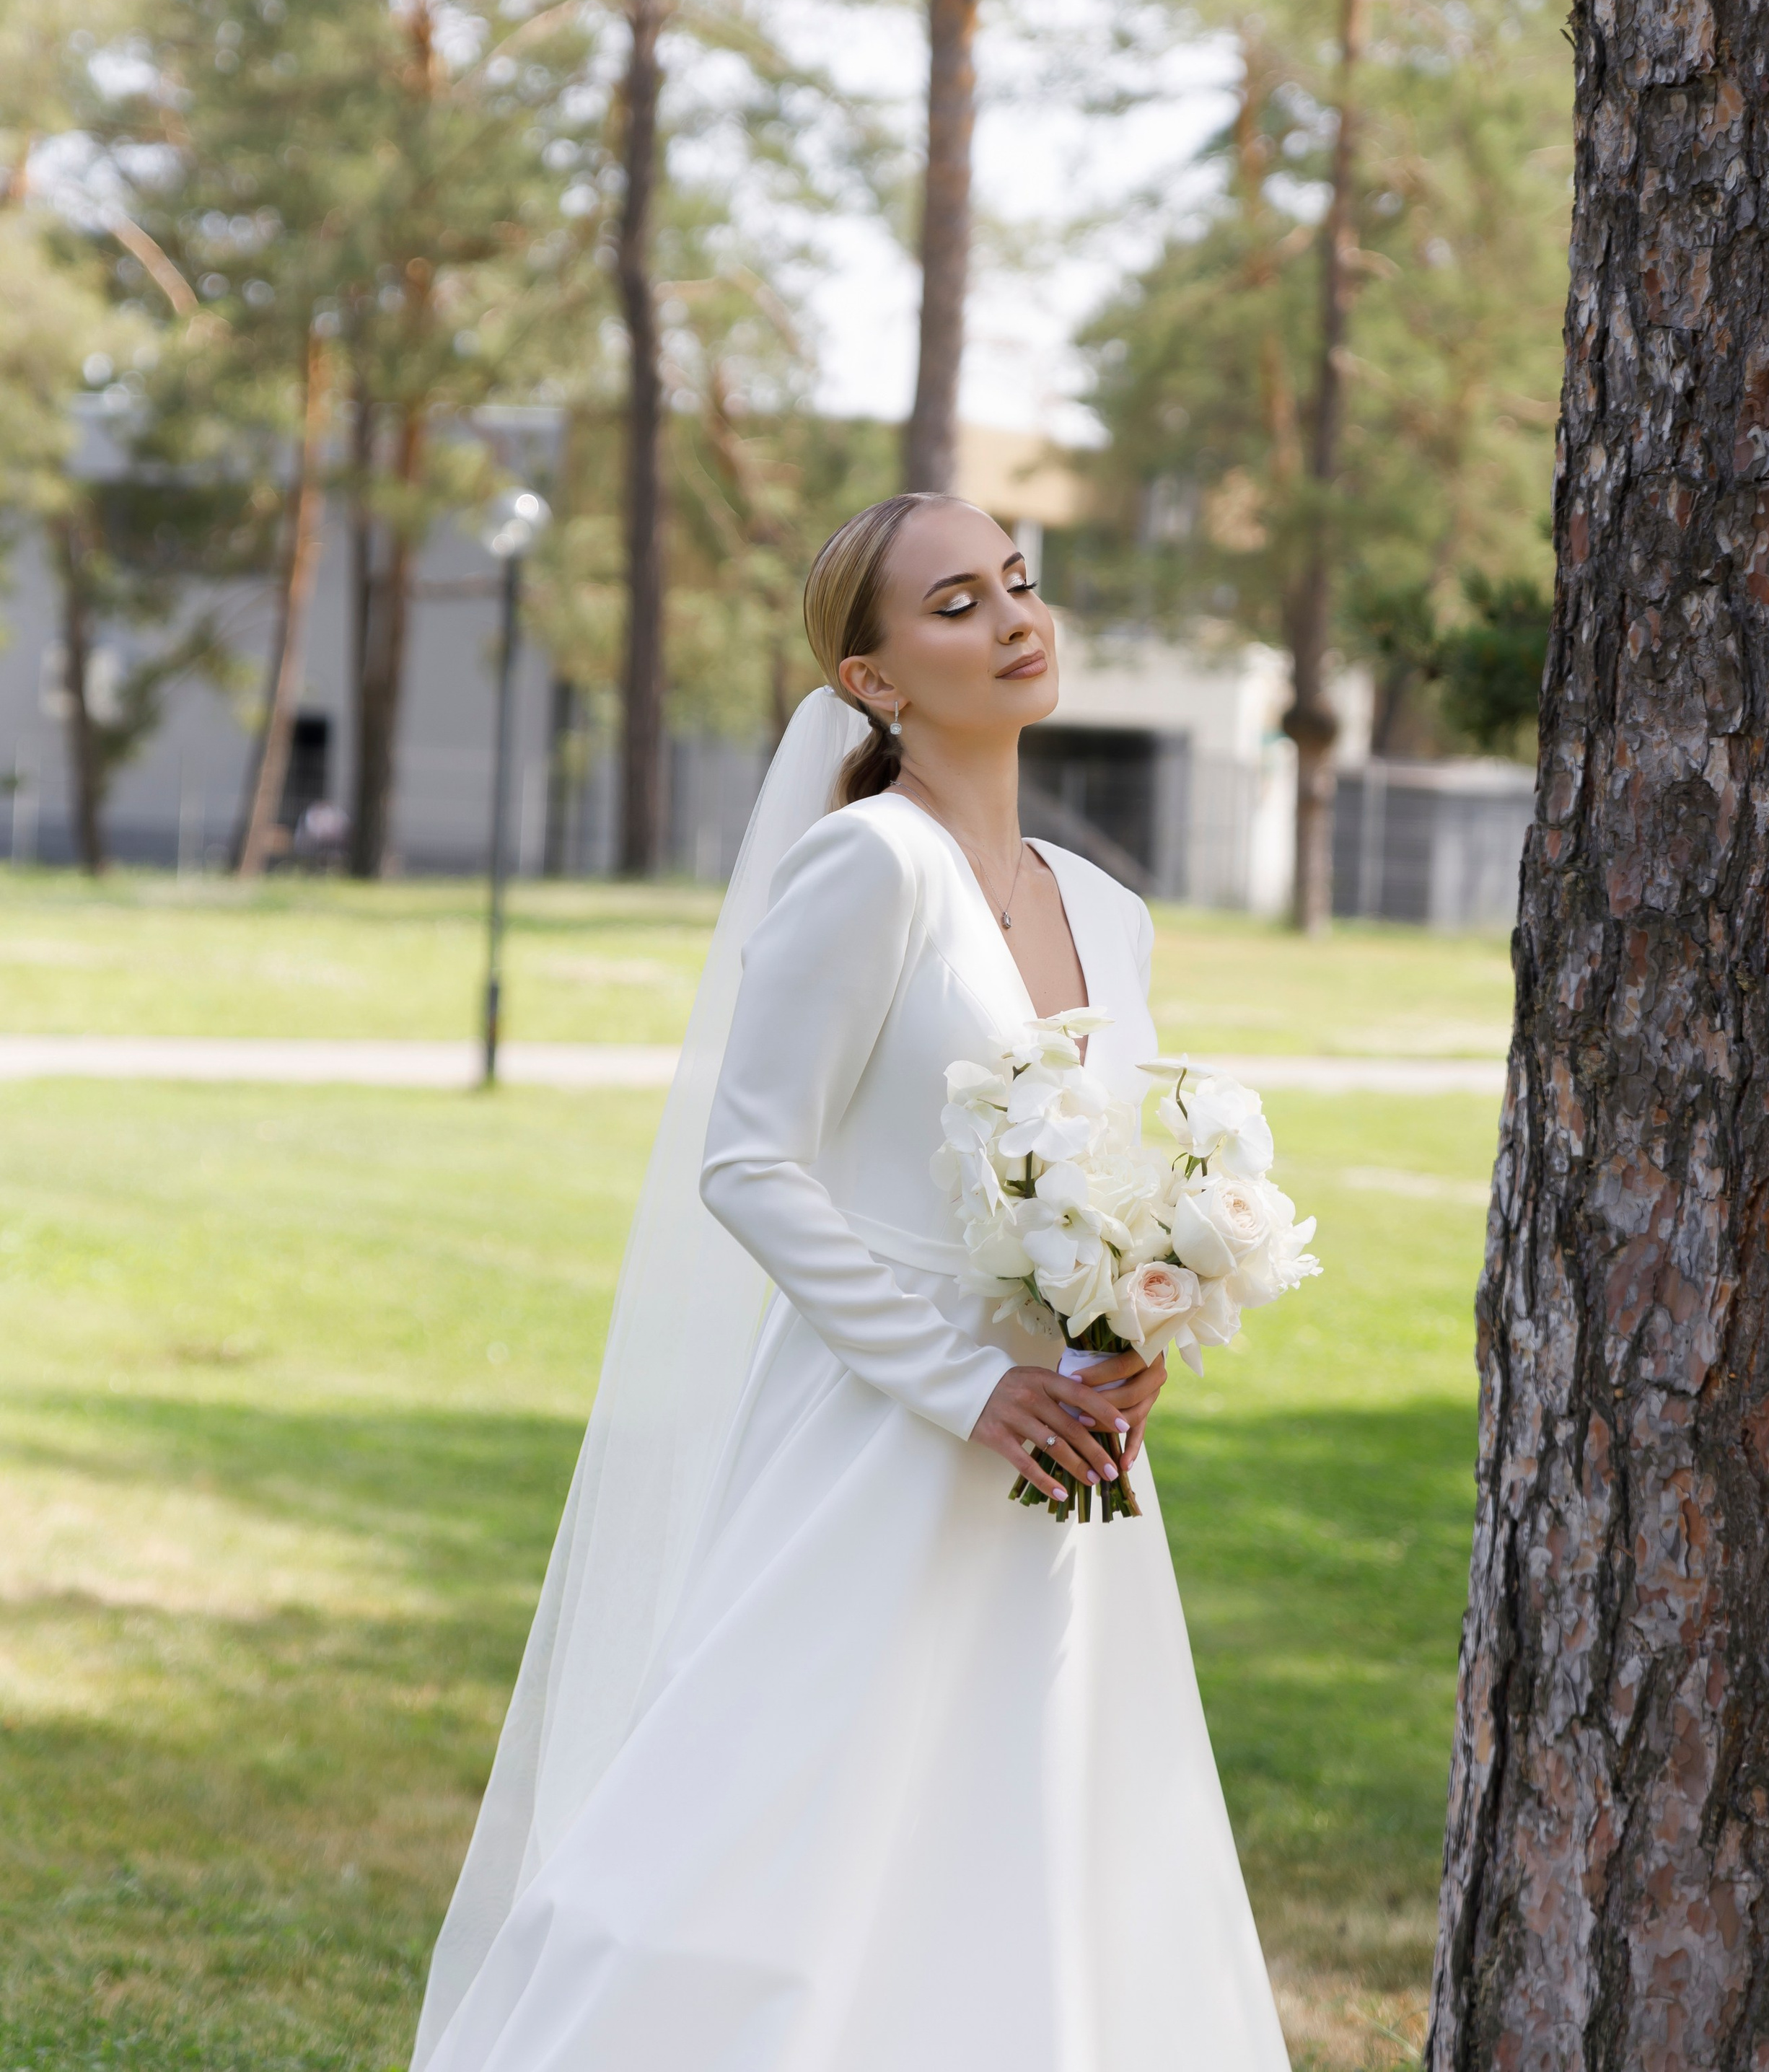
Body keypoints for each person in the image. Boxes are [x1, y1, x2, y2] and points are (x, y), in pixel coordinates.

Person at [410, 493, 1290, 2072]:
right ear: (872, 679)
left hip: (1071, 1448)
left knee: (1040, 1826)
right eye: (955, 603)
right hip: (882, 1436)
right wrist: (964, 1383)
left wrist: (1137, 1321)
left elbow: (1113, 1170)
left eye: (1018, 584)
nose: (1015, 617)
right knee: (772, 1818)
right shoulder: (867, 867)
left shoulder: (1107, 908)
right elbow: (750, 1162)